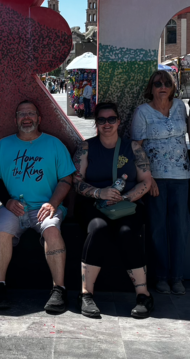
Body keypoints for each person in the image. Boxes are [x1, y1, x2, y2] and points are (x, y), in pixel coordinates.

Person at [0, 100, 76, 313]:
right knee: (2, 232)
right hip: (14, 207)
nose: (27, 117)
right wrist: (7, 201)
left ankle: (59, 289)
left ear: (39, 118)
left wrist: (53, 203)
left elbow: (66, 179)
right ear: (15, 119)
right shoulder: (3, 145)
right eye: (22, 114)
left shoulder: (54, 145)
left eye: (31, 113)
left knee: (52, 231)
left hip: (46, 207)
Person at [74, 102, 156, 318]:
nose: (107, 124)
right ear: (96, 123)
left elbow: (146, 181)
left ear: (119, 121)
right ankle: (86, 294)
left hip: (127, 206)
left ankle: (143, 295)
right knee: (98, 228)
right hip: (93, 204)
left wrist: (125, 197)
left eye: (111, 119)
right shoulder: (86, 147)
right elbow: (77, 183)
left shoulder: (133, 148)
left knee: (127, 233)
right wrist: (99, 193)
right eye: (101, 120)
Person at [131, 70, 190, 295]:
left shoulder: (180, 108)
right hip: (155, 179)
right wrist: (147, 178)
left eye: (167, 83)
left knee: (180, 228)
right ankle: (161, 277)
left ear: (173, 87)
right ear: (151, 87)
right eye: (157, 83)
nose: (162, 87)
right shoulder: (142, 112)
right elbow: (136, 147)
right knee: (157, 229)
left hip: (182, 177)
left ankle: (177, 277)